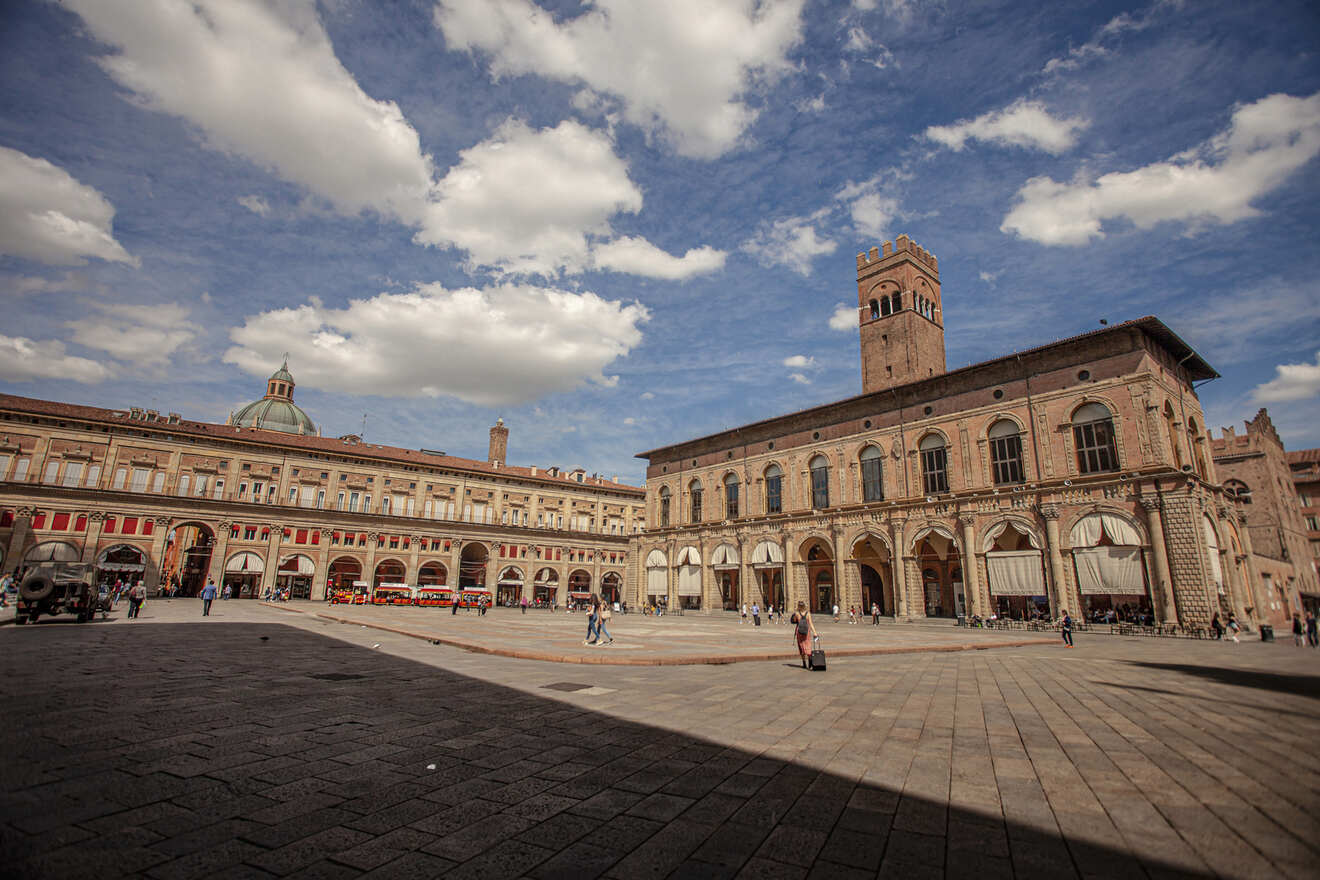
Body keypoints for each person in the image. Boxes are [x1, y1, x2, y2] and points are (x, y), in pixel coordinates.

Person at [790, 601, 817, 669]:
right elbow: (811, 624)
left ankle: (804, 663)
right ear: (804, 606)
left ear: (798, 606)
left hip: (799, 632)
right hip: (807, 632)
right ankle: (810, 661)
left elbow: (794, 621)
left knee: (801, 647)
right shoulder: (808, 613)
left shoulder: (797, 613)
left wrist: (796, 612)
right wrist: (815, 632)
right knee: (808, 646)